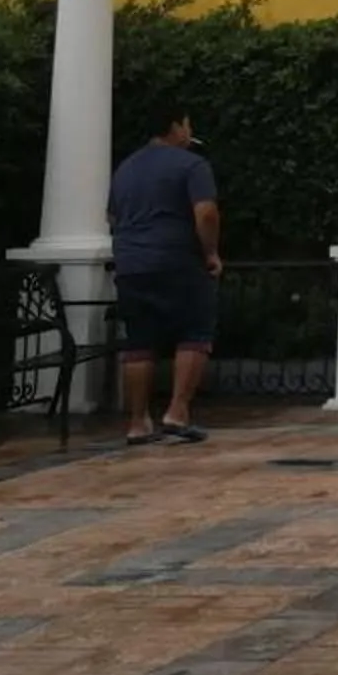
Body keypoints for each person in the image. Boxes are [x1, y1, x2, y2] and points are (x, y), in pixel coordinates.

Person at [107, 101, 222, 444]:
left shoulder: (125, 169)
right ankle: (177, 411)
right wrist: (211, 253)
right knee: (194, 333)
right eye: (187, 125)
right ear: (175, 127)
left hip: (131, 265)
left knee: (139, 341)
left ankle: (138, 422)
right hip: (178, 261)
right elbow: (206, 213)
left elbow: (112, 217)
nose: (189, 132)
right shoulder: (192, 164)